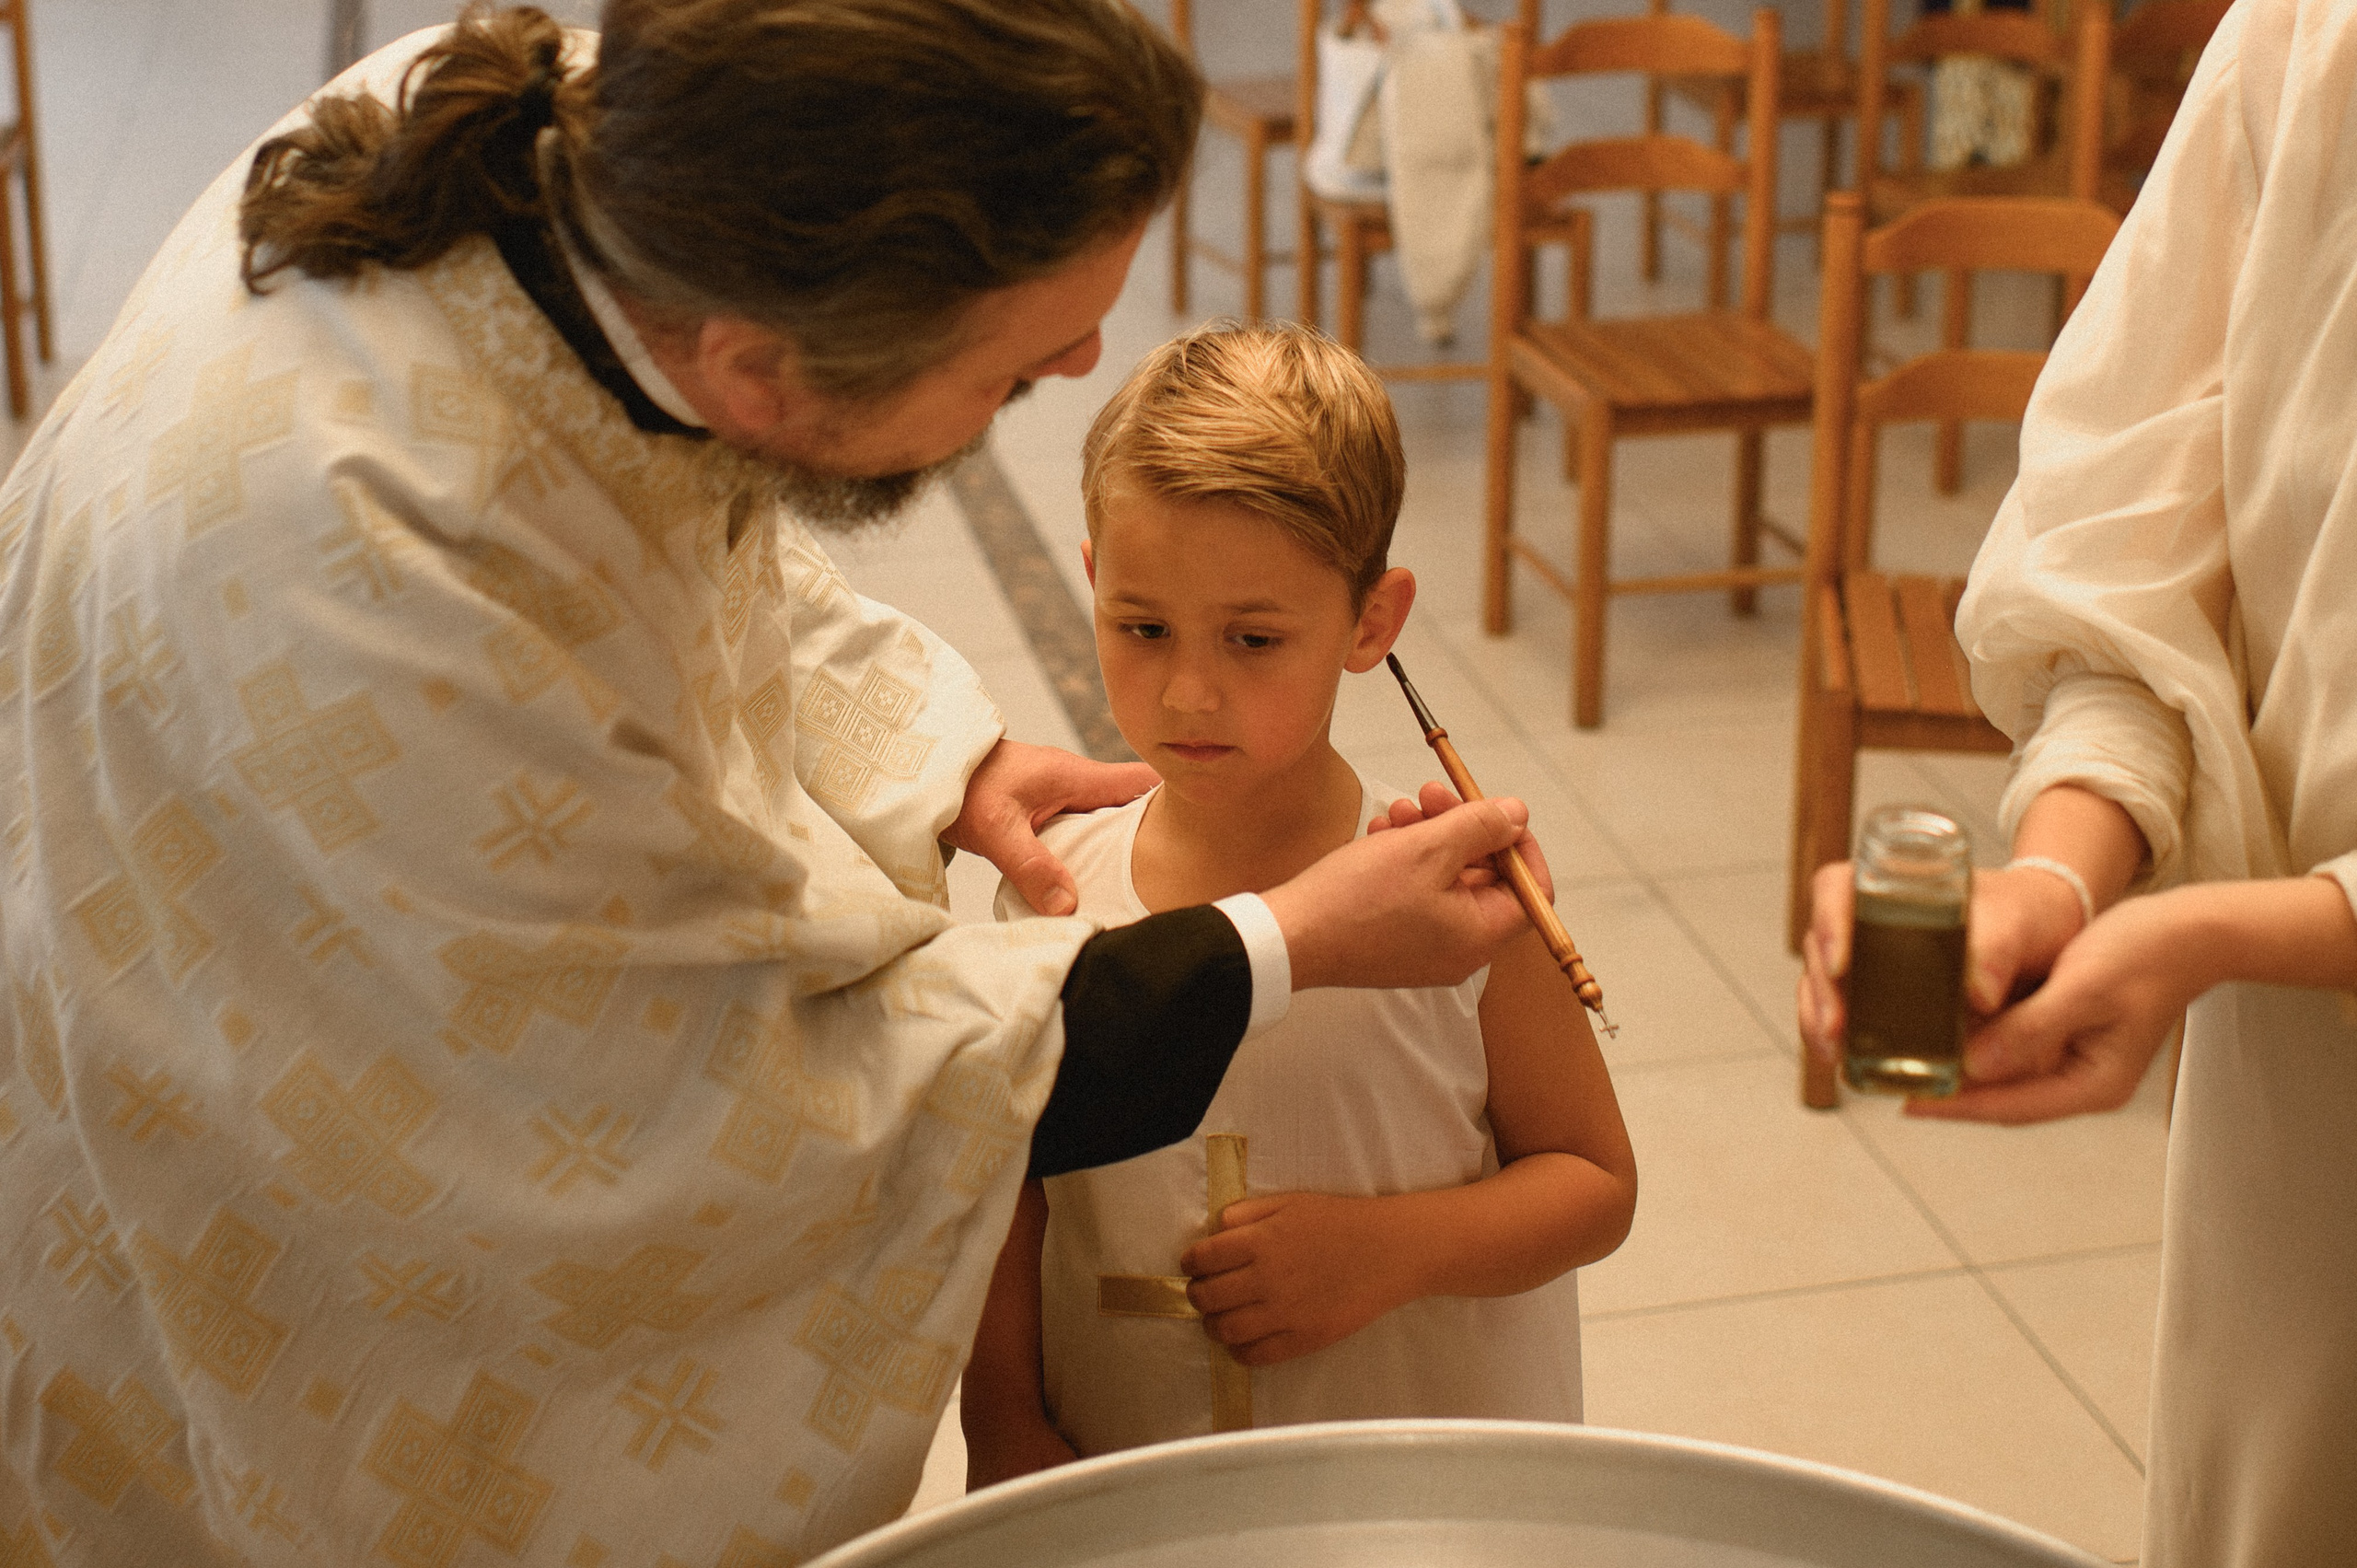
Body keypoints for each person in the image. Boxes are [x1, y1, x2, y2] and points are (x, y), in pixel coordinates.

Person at [0, 6, 1555, 1563]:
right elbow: (758, 1118)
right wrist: (1289, 943)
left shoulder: (576, 162)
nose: (1090, 358)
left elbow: (633, 504)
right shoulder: (385, 582)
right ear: (764, 367)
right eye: (1023, 363)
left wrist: (937, 748)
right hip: (270, 1156)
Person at [1797, 0, 2357, 1560]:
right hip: (2312, 1128)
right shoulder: (2307, 46)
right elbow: (2143, 552)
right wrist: (2058, 870)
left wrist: (2238, 931)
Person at [960, 322, 1636, 1486]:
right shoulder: (1050, 890)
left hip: (1419, 1487)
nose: (1188, 687)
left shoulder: (1460, 900)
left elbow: (1592, 1183)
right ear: (1091, 581)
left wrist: (1389, 1249)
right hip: (1128, 1470)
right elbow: (995, 1189)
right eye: (1142, 626)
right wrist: (1004, 1419)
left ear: (1371, 621)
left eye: (1254, 637)